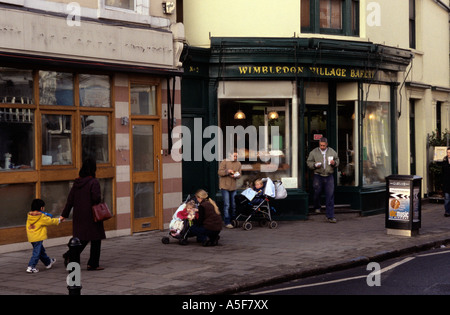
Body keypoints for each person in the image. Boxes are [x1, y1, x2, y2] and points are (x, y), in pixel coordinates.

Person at [61, 158, 106, 270]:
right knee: (95, 239)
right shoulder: (93, 182)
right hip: (92, 215)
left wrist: (64, 214)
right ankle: (92, 264)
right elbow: (96, 198)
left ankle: (70, 254)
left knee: (82, 238)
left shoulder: (77, 183)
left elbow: (70, 200)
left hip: (79, 215)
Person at [307, 137, 340, 223]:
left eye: (324, 146)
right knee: (317, 192)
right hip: (318, 175)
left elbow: (337, 160)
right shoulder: (313, 152)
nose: (322, 147)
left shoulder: (332, 151)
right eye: (321, 145)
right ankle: (317, 206)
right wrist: (314, 165)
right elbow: (309, 162)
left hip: (329, 175)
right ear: (319, 144)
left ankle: (330, 216)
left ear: (327, 145)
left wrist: (334, 163)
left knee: (330, 195)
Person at [26, 199, 63, 273]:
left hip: (32, 236)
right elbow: (50, 221)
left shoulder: (30, 215)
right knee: (37, 252)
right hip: (38, 237)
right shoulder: (41, 217)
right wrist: (59, 220)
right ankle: (31, 266)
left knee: (41, 251)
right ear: (41, 208)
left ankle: (48, 262)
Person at [218, 151, 241, 228]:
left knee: (233, 204)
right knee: (227, 204)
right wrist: (227, 172)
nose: (235, 158)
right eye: (234, 156)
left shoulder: (238, 164)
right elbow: (219, 172)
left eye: (236, 156)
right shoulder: (224, 162)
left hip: (233, 187)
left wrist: (236, 175)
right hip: (224, 186)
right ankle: (227, 221)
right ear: (230, 155)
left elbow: (239, 175)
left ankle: (233, 220)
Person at [443, 147, 450, 217]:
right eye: (447, 152)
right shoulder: (444, 160)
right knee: (447, 198)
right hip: (447, 183)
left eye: (449, 153)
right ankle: (447, 212)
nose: (448, 154)